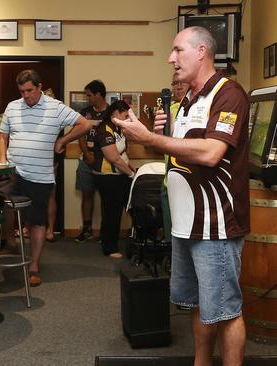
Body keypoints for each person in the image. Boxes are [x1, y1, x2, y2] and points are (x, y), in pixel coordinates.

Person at [113, 26, 249, 366]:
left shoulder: (228, 94)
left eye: (177, 50)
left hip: (215, 225)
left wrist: (154, 139)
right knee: (202, 305)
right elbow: (176, 155)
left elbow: (211, 153)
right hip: (185, 223)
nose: (170, 58)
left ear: (202, 51)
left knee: (226, 311)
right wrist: (152, 137)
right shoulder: (186, 98)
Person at [0, 69, 91, 287]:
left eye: (29, 90)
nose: (26, 95)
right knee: (5, 207)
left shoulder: (55, 107)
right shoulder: (13, 107)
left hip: (39, 175)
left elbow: (85, 124)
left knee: (37, 221)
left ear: (39, 87)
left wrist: (63, 141)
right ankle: (10, 243)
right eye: (22, 91)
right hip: (13, 170)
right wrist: (2, 158)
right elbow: (2, 136)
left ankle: (34, 266)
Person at [91, 100, 135, 258]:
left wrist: (131, 169)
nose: (128, 118)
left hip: (120, 175)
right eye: (125, 115)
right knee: (112, 212)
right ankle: (109, 248)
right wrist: (131, 175)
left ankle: (111, 241)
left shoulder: (120, 129)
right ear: (115, 113)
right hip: (107, 177)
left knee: (126, 208)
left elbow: (123, 155)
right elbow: (114, 158)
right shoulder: (105, 129)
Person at [75, 80, 108, 243]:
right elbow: (80, 134)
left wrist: (100, 156)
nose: (87, 98)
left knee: (105, 196)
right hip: (86, 159)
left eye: (89, 95)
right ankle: (86, 229)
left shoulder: (111, 112)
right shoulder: (85, 112)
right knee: (87, 194)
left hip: (105, 160)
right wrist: (87, 154)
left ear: (98, 94)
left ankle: (104, 231)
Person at [161, 72, 189, 243]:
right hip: (168, 180)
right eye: (174, 83)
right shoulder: (167, 110)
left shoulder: (197, 108)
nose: (177, 87)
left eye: (182, 83)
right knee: (170, 234)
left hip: (188, 181)